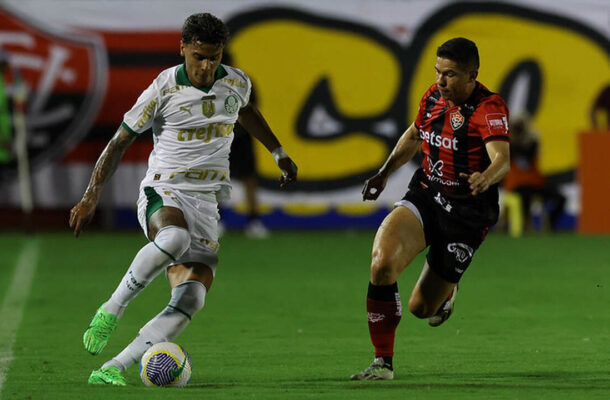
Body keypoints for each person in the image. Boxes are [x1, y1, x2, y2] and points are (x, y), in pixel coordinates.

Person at [69, 13, 297, 386]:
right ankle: (112, 309)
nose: (207, 66)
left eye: (214, 57)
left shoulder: (236, 82)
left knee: (192, 298)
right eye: (199, 57)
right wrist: (91, 194)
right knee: (174, 239)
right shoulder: (162, 89)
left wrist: (279, 152)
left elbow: (246, 112)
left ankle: (114, 367)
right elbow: (119, 141)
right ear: (183, 50)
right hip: (165, 189)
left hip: (207, 201)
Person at [351, 37, 510, 380]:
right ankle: (382, 363)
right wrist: (384, 172)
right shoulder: (434, 97)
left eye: (450, 75)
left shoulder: (489, 108)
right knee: (382, 264)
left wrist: (486, 176)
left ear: (472, 76)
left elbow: (502, 158)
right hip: (427, 194)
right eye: (438, 72)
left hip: (467, 215)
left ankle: (447, 290)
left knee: (422, 308)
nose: (441, 81)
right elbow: (413, 134)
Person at [502, 113, 565, 231]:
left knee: (560, 198)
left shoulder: (532, 143)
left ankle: (550, 223)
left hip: (536, 183)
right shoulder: (508, 144)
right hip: (517, 184)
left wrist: (527, 138)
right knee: (524, 196)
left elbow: (529, 153)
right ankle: (525, 226)